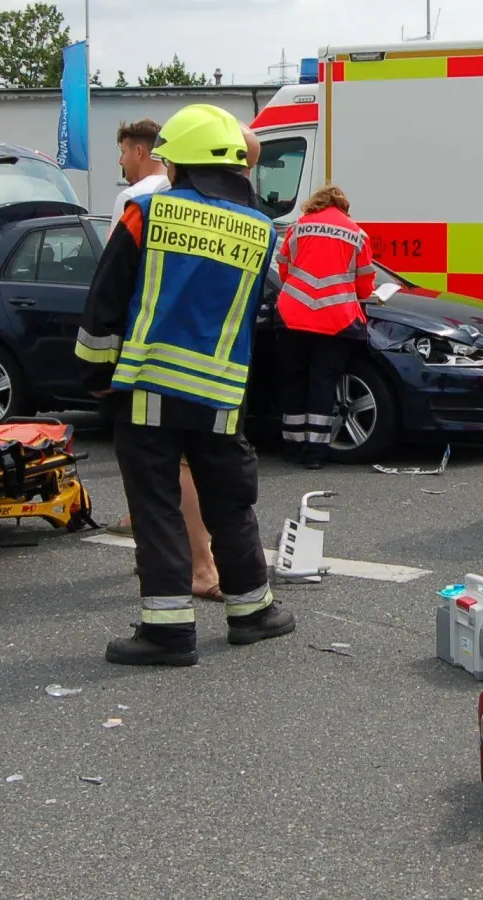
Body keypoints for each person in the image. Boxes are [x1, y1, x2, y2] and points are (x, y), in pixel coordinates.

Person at [75, 103, 294, 666]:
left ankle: (168, 633)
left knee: (158, 508)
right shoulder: (262, 229)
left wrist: (98, 379)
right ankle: (253, 611)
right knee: (229, 503)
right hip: (222, 394)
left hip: (148, 389)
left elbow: (104, 306)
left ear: (182, 163)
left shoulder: (145, 214)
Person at [104, 118, 221, 601]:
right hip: (207, 352)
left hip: (148, 353)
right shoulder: (202, 200)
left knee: (166, 462)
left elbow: (114, 282)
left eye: (123, 153)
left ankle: (201, 564)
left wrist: (100, 366)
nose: (120, 162)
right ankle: (201, 556)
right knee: (198, 460)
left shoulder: (137, 203)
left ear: (139, 150)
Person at [274, 185, 376, 468]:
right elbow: (364, 283)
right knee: (323, 382)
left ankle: (292, 447)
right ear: (343, 206)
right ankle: (315, 453)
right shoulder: (356, 232)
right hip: (335, 319)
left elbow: (284, 267)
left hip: (293, 314)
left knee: (294, 380)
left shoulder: (299, 227)